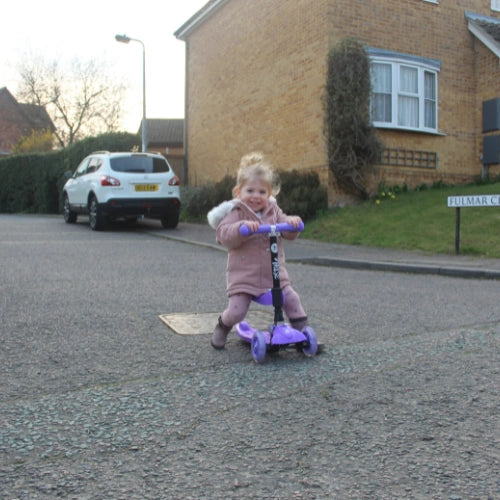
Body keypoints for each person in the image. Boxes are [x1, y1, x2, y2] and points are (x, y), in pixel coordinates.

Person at [207, 152, 309, 350]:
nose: (256, 196)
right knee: (237, 311)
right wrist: (241, 228)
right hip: (245, 277)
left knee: (292, 299)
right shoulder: (236, 213)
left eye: (262, 192)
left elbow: (287, 230)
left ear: (269, 195)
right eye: (250, 190)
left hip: (275, 276)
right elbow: (223, 234)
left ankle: (304, 333)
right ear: (239, 192)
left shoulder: (274, 212)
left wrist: (292, 223)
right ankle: (222, 327)